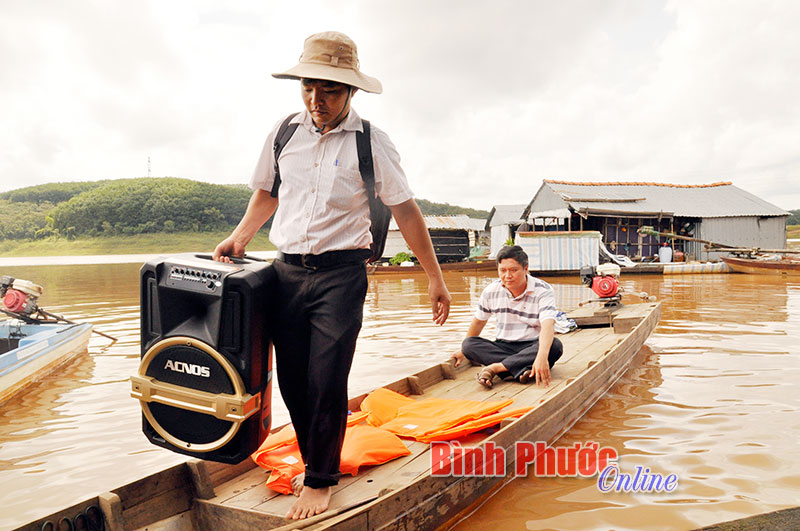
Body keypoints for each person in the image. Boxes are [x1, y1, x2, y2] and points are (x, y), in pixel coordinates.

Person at [213, 31, 450, 520]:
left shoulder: (371, 142)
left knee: (326, 377)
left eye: (330, 91)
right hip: (284, 273)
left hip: (341, 275)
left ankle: (321, 479)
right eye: (308, 88)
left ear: (351, 92)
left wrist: (434, 278)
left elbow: (405, 211)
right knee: (293, 381)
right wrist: (240, 238)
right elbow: (267, 194)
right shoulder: (285, 133)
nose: (316, 100)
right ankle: (314, 458)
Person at [450, 245, 563, 388]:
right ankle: (521, 370)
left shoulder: (543, 290)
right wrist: (462, 351)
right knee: (469, 345)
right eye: (502, 271)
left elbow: (548, 325)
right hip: (503, 346)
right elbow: (479, 322)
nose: (507, 276)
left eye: (513, 270)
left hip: (532, 345)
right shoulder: (491, 291)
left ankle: (496, 368)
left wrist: (541, 356)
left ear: (526, 268)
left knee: (554, 346)